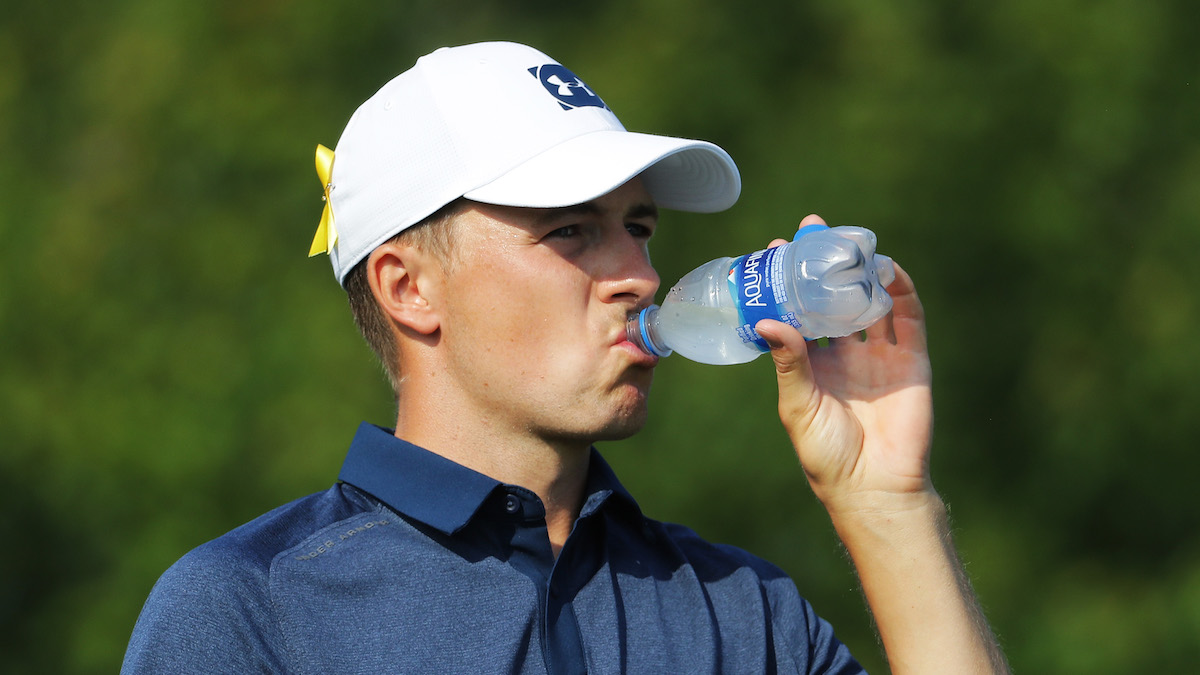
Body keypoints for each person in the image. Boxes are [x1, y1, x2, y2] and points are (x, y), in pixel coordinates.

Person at [122, 41, 1009, 674]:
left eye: (639, 228)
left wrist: (888, 507)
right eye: (572, 231)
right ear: (407, 289)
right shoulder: (252, 610)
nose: (638, 273)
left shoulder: (738, 609)